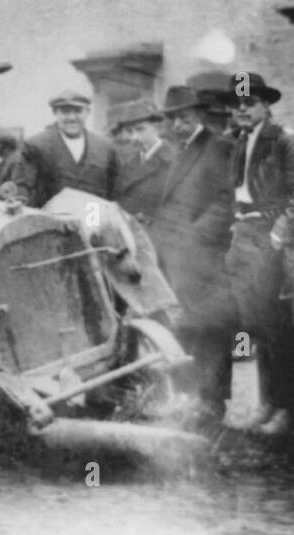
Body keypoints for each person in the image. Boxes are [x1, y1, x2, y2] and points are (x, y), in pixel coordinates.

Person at [149, 85, 237, 431]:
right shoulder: (178, 152)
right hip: (177, 261)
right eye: (172, 119)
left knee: (213, 331)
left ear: (198, 115)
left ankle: (213, 404)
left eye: (184, 117)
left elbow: (228, 201)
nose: (178, 124)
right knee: (185, 330)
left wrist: (196, 235)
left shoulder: (220, 147)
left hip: (208, 260)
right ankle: (190, 400)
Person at [223, 72, 294, 436]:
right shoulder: (238, 141)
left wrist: (279, 233)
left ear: (266, 105)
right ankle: (266, 402)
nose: (243, 110)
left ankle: (284, 407)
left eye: (249, 102)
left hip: (270, 237)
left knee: (275, 325)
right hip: (244, 234)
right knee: (252, 326)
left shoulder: (283, 141)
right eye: (238, 104)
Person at [15, 88, 121, 207]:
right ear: (55, 113)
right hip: (53, 221)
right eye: (65, 112)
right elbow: (22, 188)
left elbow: (114, 191)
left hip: (93, 220)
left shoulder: (105, 147)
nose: (71, 118)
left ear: (87, 112)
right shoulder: (35, 145)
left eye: (78, 111)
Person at [112, 100, 175, 226]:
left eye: (140, 129)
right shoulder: (128, 160)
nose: (134, 137)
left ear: (157, 127)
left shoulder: (174, 160)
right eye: (130, 131)